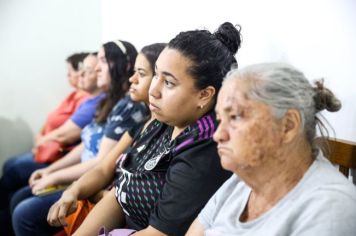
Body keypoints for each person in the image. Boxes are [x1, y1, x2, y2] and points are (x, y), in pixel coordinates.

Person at [48, 22, 242, 236]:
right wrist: (74, 193)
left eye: (168, 83)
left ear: (204, 95)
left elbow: (159, 233)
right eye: (156, 75)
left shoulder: (203, 150)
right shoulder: (162, 122)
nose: (153, 90)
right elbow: (119, 192)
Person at [186, 63, 356, 236]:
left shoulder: (330, 209)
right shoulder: (242, 179)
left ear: (288, 126)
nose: (218, 135)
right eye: (220, 119)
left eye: (235, 117)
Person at [11, 40, 148, 236]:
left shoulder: (129, 106)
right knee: (20, 195)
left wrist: (55, 176)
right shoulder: (108, 101)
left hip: (91, 182)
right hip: (83, 177)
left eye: (102, 61)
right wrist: (50, 171)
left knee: (23, 209)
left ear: (122, 65)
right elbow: (85, 145)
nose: (95, 69)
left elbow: (101, 163)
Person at [47, 42, 167, 235]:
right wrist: (73, 191)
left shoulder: (144, 118)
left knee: (24, 211)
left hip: (117, 214)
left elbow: (124, 189)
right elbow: (104, 168)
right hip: (101, 202)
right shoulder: (141, 124)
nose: (132, 79)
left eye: (141, 73)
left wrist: (101, 193)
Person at [0, 52, 97, 236]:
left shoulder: (92, 103)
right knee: (11, 169)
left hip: (59, 155)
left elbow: (67, 135)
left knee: (15, 180)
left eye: (88, 71)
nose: (74, 77)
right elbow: (54, 122)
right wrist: (40, 136)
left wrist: (51, 171)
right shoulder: (89, 101)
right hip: (53, 152)